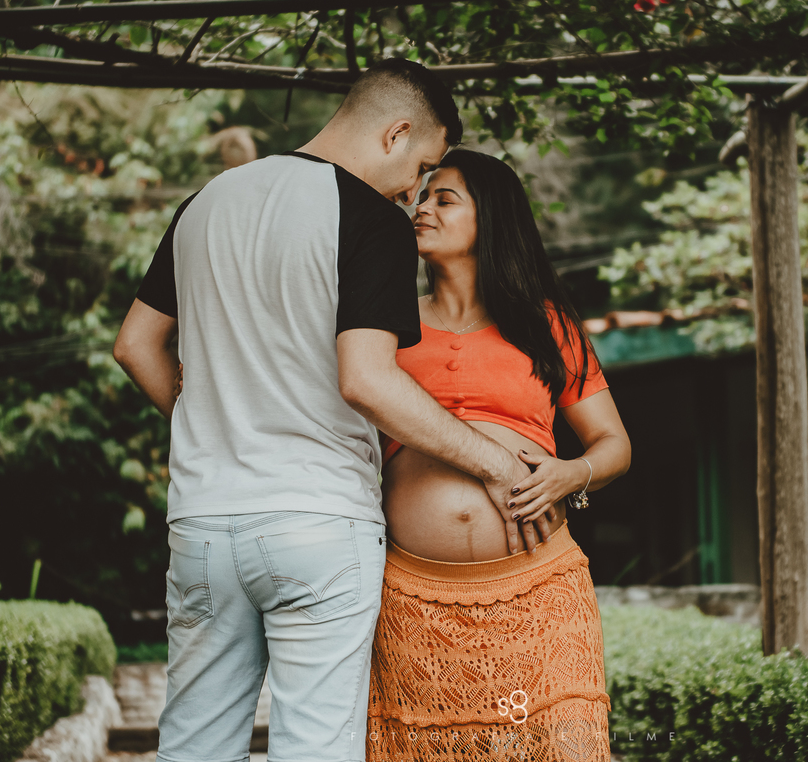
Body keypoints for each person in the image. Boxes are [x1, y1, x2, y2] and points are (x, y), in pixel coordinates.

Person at [112, 60, 539, 762]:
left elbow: (136, 346)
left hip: (203, 523)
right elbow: (367, 381)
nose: (414, 192)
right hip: (316, 522)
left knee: (193, 743)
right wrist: (492, 460)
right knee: (315, 748)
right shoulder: (372, 219)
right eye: (422, 165)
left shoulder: (206, 202)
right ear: (396, 133)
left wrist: (212, 423)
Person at [365, 149, 632, 761]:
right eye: (420, 196)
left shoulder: (548, 325)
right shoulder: (381, 327)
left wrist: (573, 473)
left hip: (540, 594)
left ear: (492, 219)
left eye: (443, 197)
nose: (421, 208)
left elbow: (614, 445)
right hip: (411, 604)